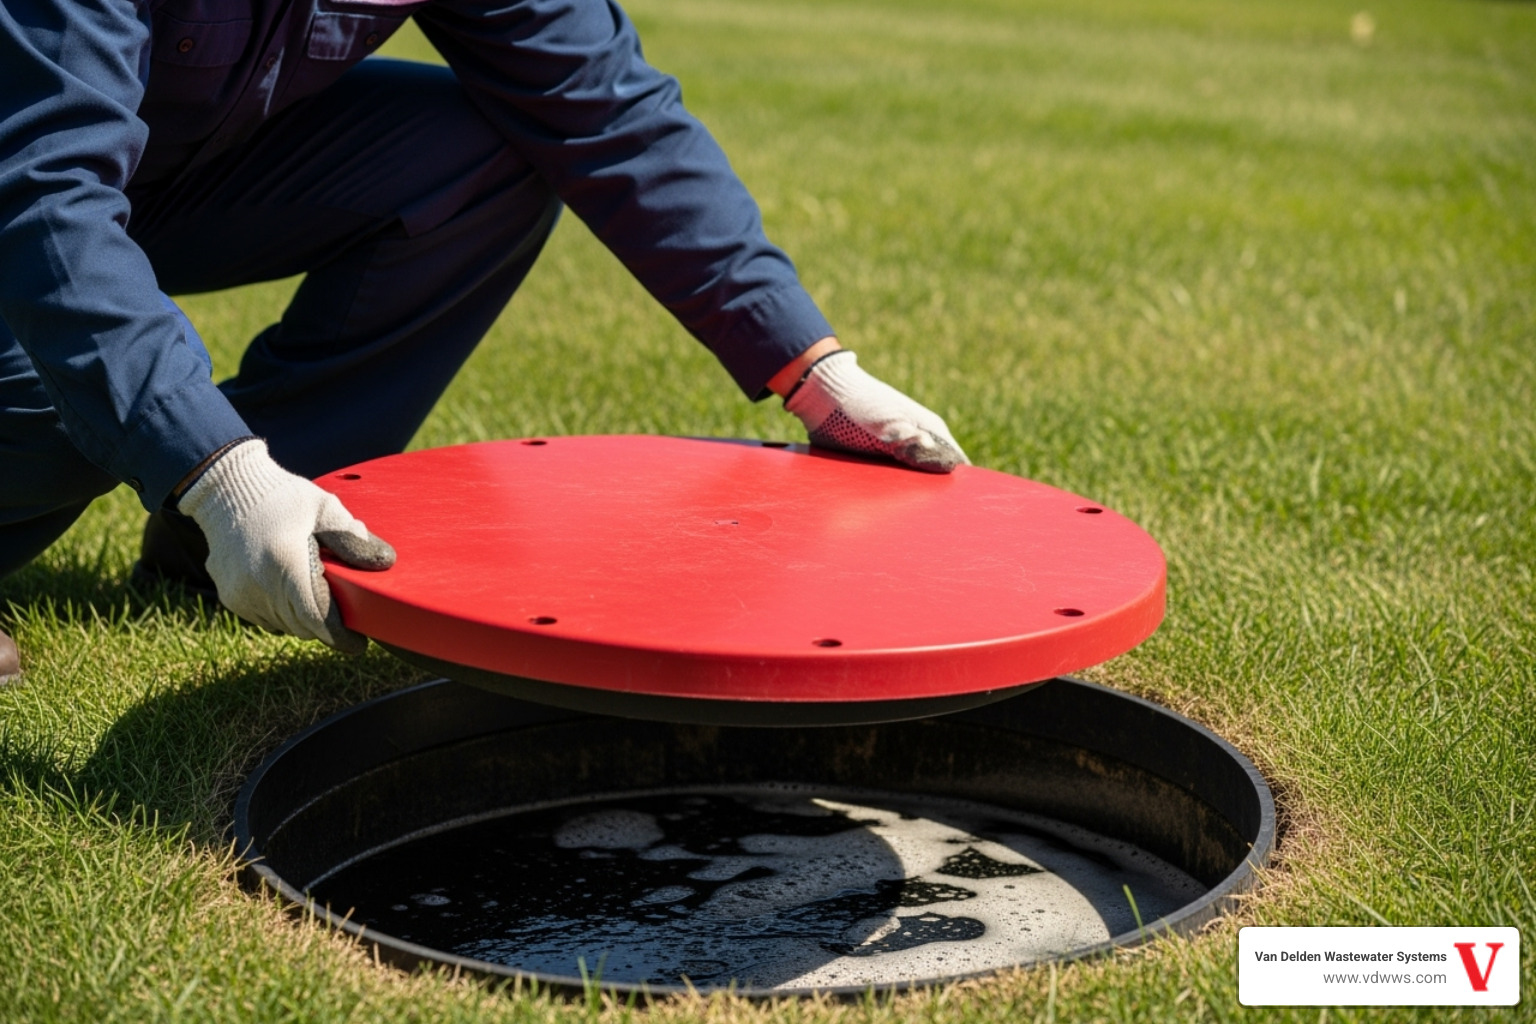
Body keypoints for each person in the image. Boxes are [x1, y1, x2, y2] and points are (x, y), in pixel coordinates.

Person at [0, 0, 967, 684]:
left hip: (149, 176)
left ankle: (221, 559)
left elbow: (606, 112)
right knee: (70, 390)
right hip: (32, 185)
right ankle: (221, 503)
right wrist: (209, 465)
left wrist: (812, 369)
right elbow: (45, 206)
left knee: (478, 158)